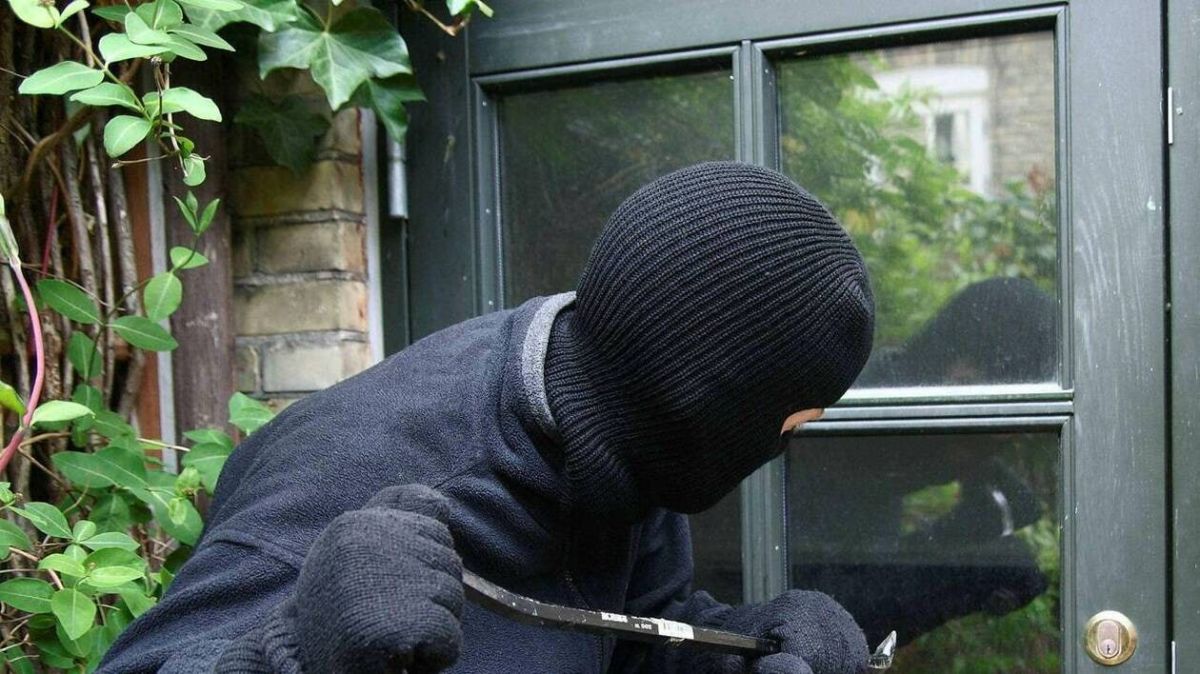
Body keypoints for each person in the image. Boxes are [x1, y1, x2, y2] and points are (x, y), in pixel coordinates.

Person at [98, 162, 877, 674]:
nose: (783, 448)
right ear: (703, 405)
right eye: (791, 426)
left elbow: (622, 627)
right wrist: (293, 651)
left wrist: (737, 650)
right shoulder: (342, 477)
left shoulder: (620, 427)